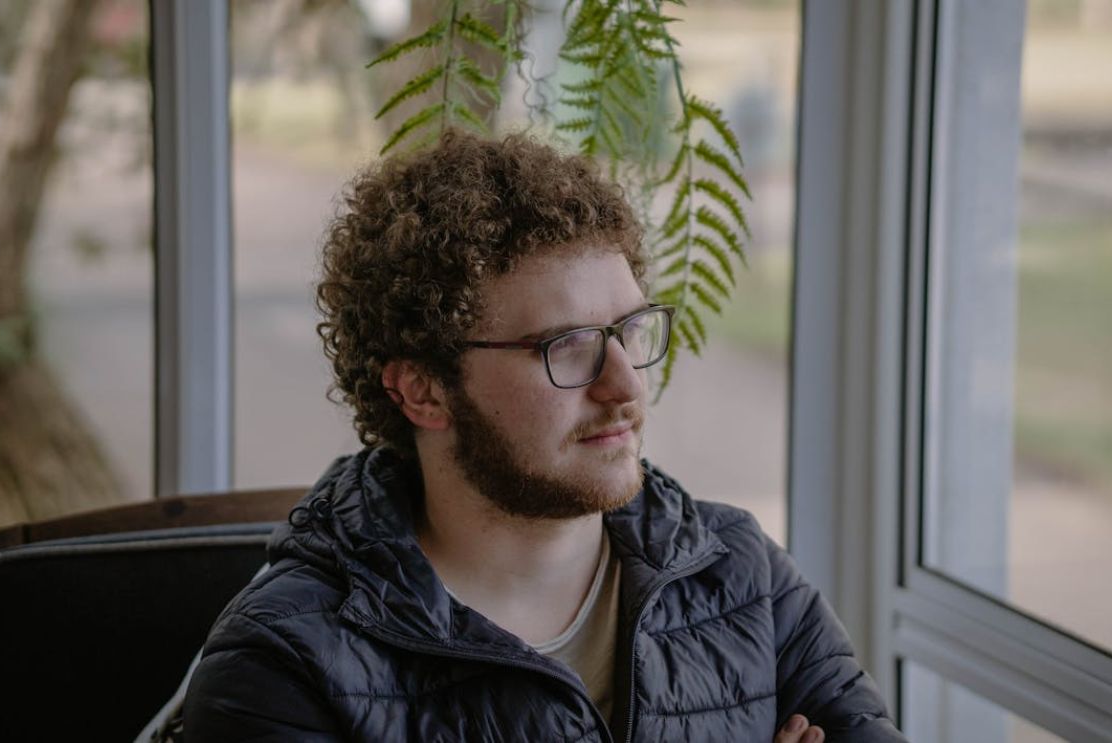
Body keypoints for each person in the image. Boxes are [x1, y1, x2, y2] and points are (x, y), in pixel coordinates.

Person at [182, 131, 906, 742]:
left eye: (627, 331)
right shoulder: (284, 663)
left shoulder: (740, 575)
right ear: (422, 389)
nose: (624, 385)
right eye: (564, 345)